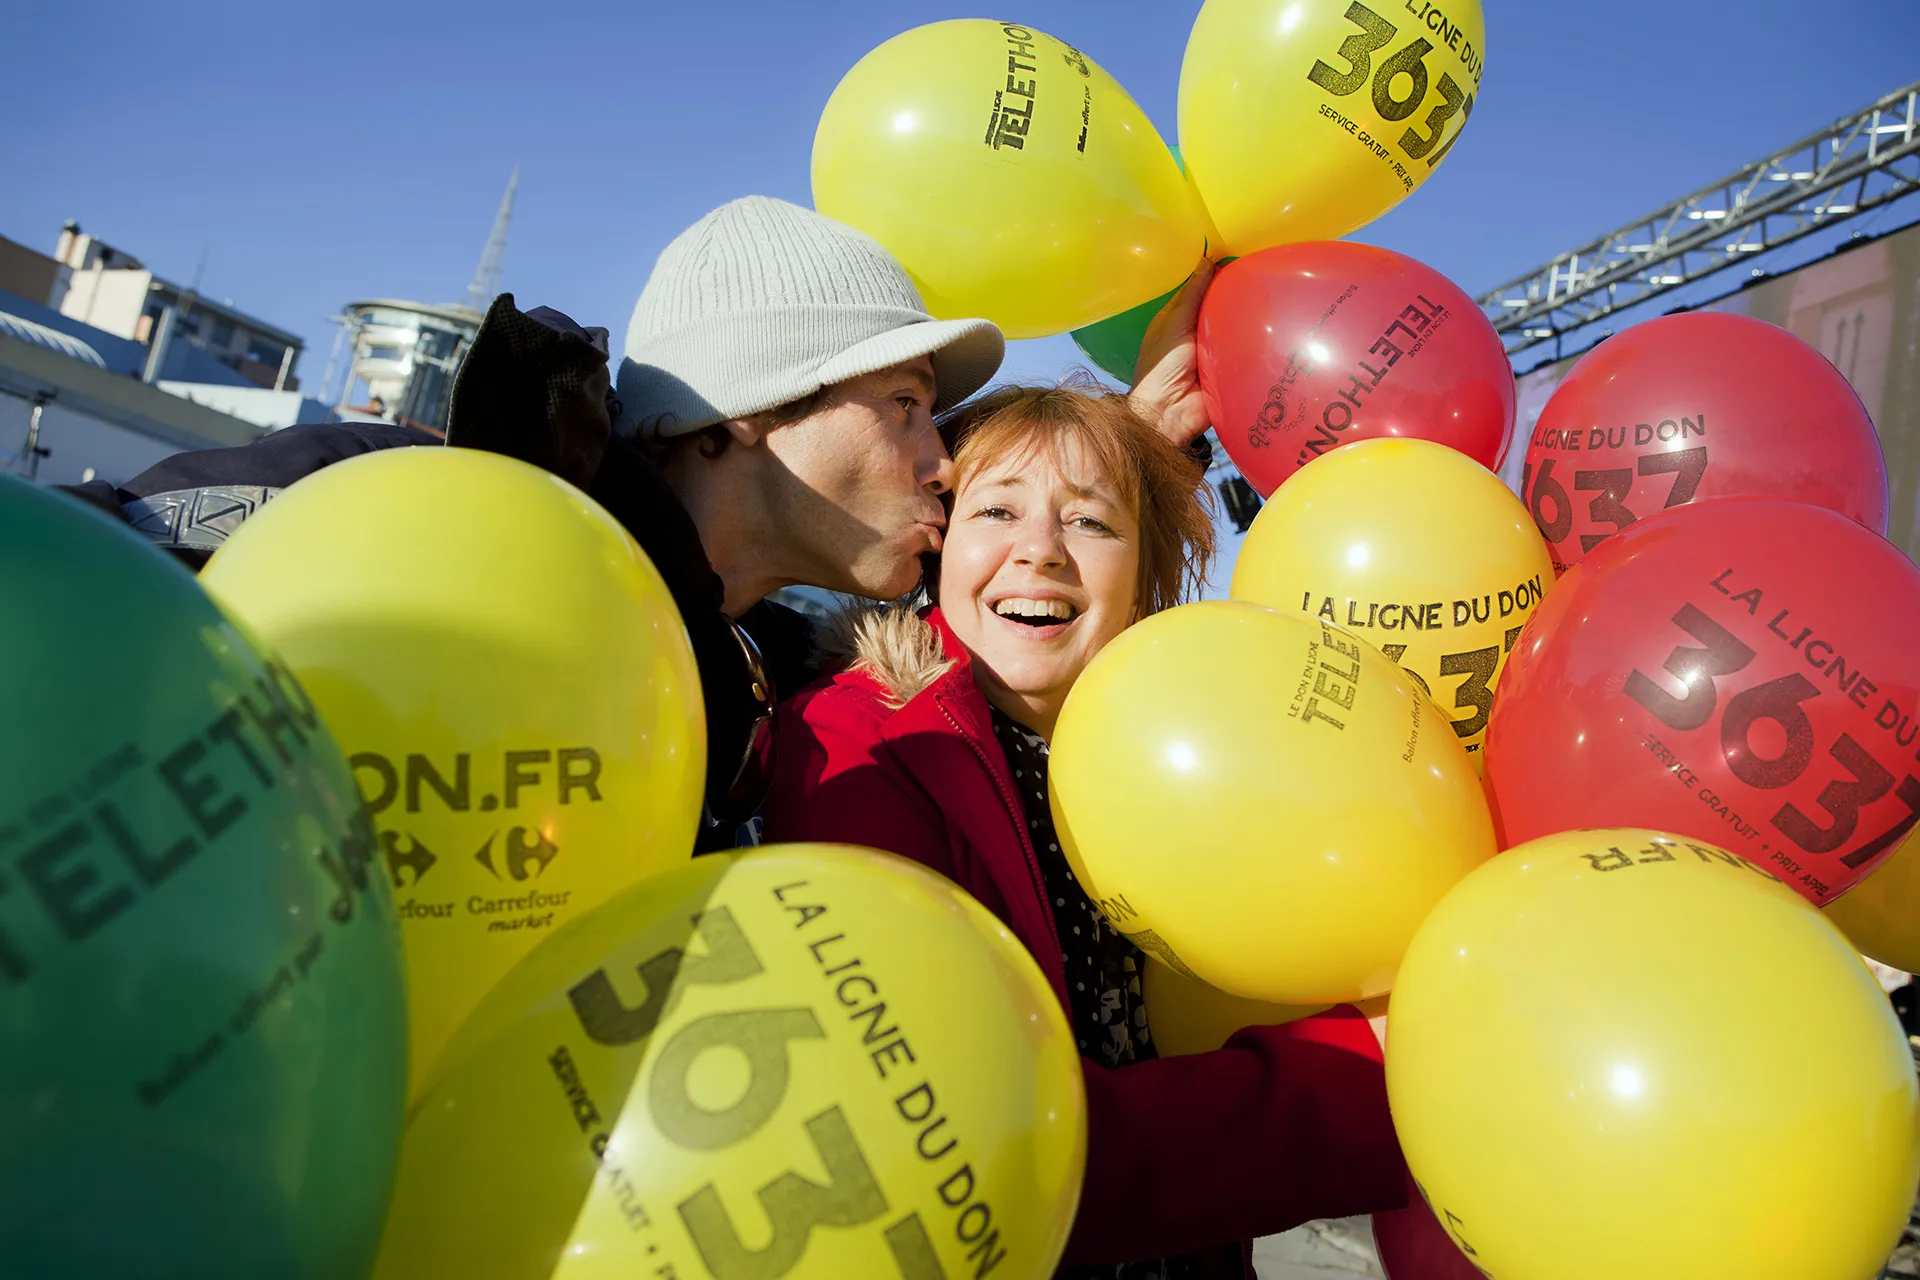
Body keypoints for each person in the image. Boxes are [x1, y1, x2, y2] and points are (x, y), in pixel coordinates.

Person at [59, 198, 1212, 850]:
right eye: (907, 403)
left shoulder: (746, 665)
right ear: (753, 409)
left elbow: (986, 633)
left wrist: (1132, 466)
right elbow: (77, 570)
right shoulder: (425, 503)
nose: (943, 456)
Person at [762, 384, 1408, 1277]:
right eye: (995, 510)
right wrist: (1377, 1066)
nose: (1040, 551)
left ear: (1145, 579)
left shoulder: (1212, 761)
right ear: (938, 549)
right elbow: (992, 1142)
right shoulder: (856, 744)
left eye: (1092, 525)